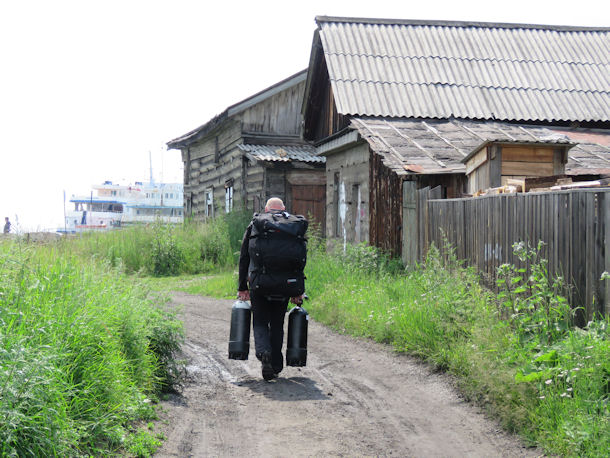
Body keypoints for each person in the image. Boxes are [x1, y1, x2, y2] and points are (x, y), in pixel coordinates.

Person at [238, 197, 305, 381]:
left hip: (260, 284)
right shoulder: (292, 226)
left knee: (260, 321)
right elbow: (299, 261)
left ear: (266, 209)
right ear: (284, 209)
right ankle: (275, 364)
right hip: (286, 285)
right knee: (277, 324)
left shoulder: (257, 224)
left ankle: (263, 353)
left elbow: (244, 258)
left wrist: (242, 287)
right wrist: (298, 290)